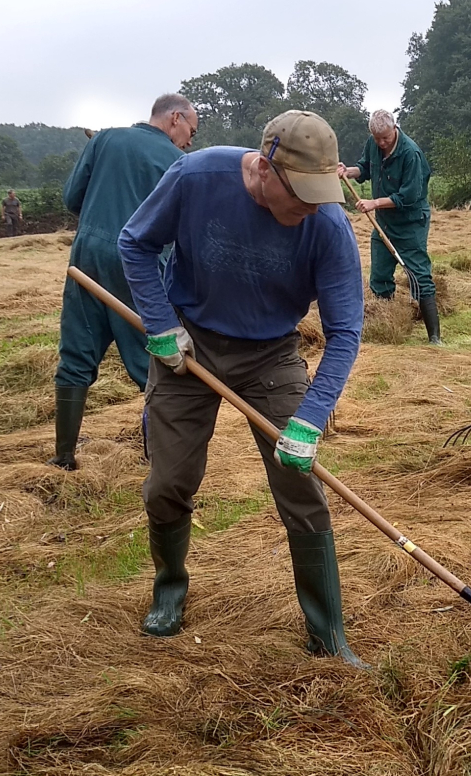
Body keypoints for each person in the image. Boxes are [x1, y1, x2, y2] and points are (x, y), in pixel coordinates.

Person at [118, 110, 368, 667]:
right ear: (264, 168)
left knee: (301, 488)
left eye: (320, 195)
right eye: (301, 195)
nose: (310, 207)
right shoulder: (196, 177)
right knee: (168, 480)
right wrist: (159, 324)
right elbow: (135, 243)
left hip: (271, 355)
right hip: (189, 346)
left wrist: (309, 416)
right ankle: (170, 590)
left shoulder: (326, 226)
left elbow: (346, 329)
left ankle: (328, 636)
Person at [50, 94, 197, 471]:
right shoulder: (178, 163)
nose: (190, 141)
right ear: (174, 118)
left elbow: (71, 198)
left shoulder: (105, 139)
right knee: (152, 362)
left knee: (77, 354)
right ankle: (162, 460)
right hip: (140, 266)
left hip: (88, 256)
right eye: (191, 131)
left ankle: (64, 457)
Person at [339, 110, 439, 344]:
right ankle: (386, 325)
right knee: (379, 276)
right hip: (383, 223)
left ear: (394, 129)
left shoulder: (410, 154)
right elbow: (364, 168)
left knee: (419, 274)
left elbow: (409, 196)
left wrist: (374, 203)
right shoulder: (373, 144)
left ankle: (434, 337)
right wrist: (347, 171)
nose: (380, 142)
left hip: (410, 223)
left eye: (384, 137)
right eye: (376, 138)